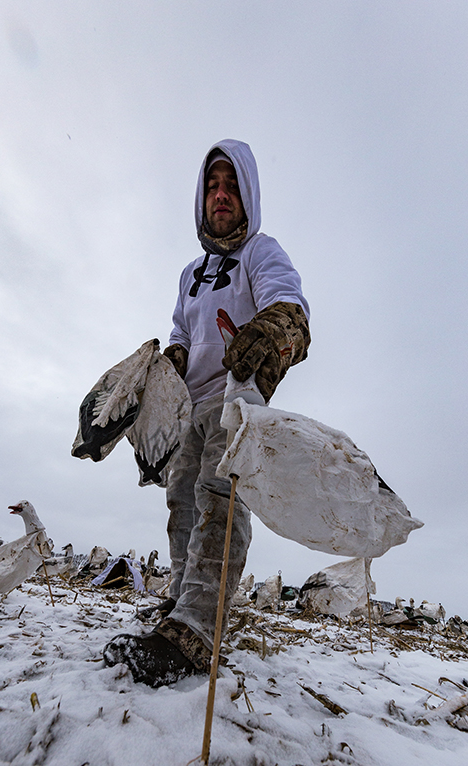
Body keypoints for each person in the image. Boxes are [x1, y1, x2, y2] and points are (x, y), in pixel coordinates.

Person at [103, 139, 310, 686]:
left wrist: (273, 330)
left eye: (232, 185)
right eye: (213, 186)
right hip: (188, 405)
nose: (221, 195)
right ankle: (180, 603)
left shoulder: (261, 254)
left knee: (221, 499)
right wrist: (171, 358)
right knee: (182, 502)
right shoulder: (191, 273)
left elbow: (290, 307)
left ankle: (199, 628)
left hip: (235, 399)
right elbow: (182, 330)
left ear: (248, 195)